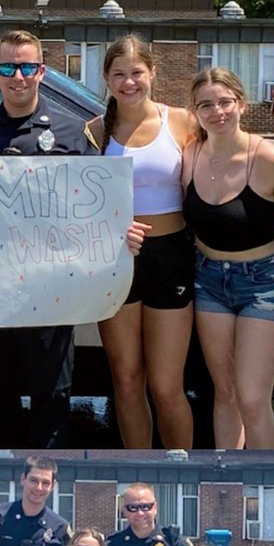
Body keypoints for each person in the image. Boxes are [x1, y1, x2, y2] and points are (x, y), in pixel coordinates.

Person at [0, 29, 99, 448]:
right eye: (9, 67)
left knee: (52, 393)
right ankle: (4, 472)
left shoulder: (71, 133)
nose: (18, 77)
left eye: (28, 67)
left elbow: (95, 205)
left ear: (42, 72)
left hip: (50, 284)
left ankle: (47, 475)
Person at [88, 35, 195, 449]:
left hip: (171, 258)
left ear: (152, 73)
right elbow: (81, 201)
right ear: (106, 78)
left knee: (166, 385)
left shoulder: (182, 121)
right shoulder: (95, 130)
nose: (128, 82)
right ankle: (139, 468)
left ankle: (181, 469)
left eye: (136, 72)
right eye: (119, 74)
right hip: (117, 261)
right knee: (127, 378)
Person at [181, 68, 274, 449]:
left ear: (241, 104)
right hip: (209, 279)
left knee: (252, 396)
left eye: (225, 102)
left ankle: (266, 476)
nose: (217, 112)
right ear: (195, 111)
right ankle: (227, 473)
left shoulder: (269, 159)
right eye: (206, 105)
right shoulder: (190, 155)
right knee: (225, 391)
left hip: (266, 282)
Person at [0, 456, 71, 546]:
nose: (39, 488)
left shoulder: (59, 527)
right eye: (34, 480)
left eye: (45, 483)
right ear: (23, 479)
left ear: (53, 486)